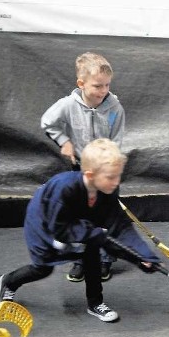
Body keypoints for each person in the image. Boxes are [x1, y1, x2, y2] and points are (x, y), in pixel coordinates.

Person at [0, 139, 159, 322]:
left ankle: (95, 303)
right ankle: (9, 281)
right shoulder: (63, 188)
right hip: (44, 223)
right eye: (111, 177)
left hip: (80, 223)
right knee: (42, 268)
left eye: (118, 176)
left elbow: (120, 226)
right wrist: (95, 234)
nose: (116, 182)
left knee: (93, 257)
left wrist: (142, 256)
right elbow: (59, 229)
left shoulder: (108, 191)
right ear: (90, 176)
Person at [41, 52, 125, 283]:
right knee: (80, 217)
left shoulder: (115, 109)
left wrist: (106, 167)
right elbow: (48, 122)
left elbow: (116, 141)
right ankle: (80, 259)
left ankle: (105, 259)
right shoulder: (68, 105)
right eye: (97, 86)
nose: (103, 91)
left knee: (105, 218)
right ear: (81, 84)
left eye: (107, 85)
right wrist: (64, 141)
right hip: (81, 171)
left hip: (105, 173)